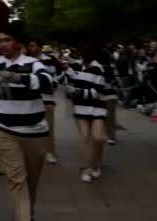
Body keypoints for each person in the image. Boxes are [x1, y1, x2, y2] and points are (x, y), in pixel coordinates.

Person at [0, 25, 53, 221]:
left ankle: (27, 215)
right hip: (3, 129)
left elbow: (47, 83)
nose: (2, 44)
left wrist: (14, 76)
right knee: (16, 178)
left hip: (34, 132)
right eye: (0, 40)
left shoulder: (35, 64)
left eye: (7, 40)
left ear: (19, 43)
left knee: (31, 180)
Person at [66, 43, 114, 182]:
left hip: (98, 107)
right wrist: (73, 91)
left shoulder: (98, 68)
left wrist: (77, 91)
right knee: (86, 137)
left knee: (98, 137)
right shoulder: (74, 66)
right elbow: (67, 83)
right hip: (80, 107)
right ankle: (87, 168)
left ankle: (97, 164)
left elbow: (96, 91)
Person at [26, 40, 60, 164]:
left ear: (39, 47)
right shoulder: (26, 61)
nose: (30, 48)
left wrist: (49, 84)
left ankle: (49, 152)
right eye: (29, 46)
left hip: (47, 98)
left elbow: (55, 77)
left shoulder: (49, 60)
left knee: (48, 127)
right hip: (31, 98)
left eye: (33, 46)